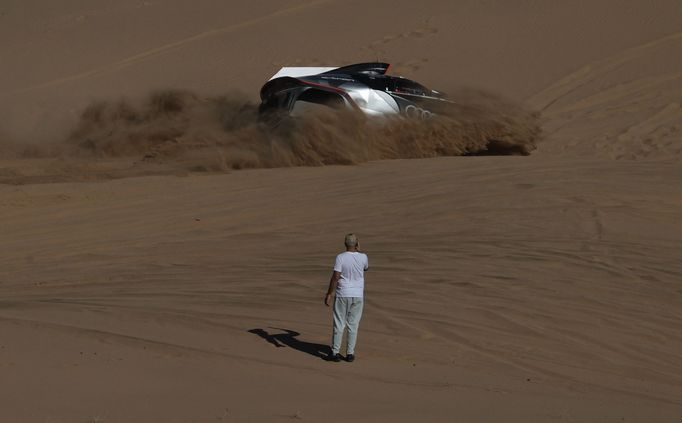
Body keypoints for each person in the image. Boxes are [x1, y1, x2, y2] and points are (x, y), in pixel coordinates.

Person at [324, 233, 369, 362]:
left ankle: (335, 352)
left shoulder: (340, 257)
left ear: (345, 243)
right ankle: (350, 353)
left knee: (339, 323)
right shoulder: (363, 257)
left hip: (343, 294)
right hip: (357, 295)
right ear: (356, 243)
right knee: (353, 325)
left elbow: (336, 277)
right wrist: (359, 251)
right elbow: (366, 268)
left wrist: (329, 293)